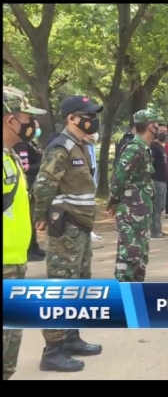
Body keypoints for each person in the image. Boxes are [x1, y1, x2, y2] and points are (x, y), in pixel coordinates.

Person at [33, 95, 104, 372]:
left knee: (80, 285)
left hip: (82, 226)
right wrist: (40, 217)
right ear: (71, 118)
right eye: (87, 114)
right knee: (60, 289)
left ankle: (71, 337)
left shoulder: (81, 145)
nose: (92, 119)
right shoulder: (61, 147)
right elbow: (43, 185)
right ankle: (52, 351)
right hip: (66, 226)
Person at [2, 86, 46, 380]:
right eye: (26, 116)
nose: (32, 124)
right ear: (9, 120)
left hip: (12, 262)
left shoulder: (10, 155)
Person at [107, 107, 159, 282]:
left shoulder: (144, 148)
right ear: (151, 126)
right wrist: (113, 201)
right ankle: (123, 294)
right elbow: (119, 177)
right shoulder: (134, 148)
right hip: (131, 211)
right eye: (156, 124)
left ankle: (135, 289)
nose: (159, 127)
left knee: (139, 253)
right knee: (129, 253)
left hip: (139, 210)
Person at [13, 118, 46, 260]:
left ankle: (34, 246)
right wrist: (44, 166)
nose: (37, 129)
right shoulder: (21, 146)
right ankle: (29, 248)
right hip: (28, 185)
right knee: (29, 218)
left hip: (34, 185)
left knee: (32, 219)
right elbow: (25, 168)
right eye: (35, 126)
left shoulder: (31, 144)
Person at [150, 123, 168, 240]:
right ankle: (154, 231)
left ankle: (159, 229)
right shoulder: (153, 147)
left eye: (165, 131)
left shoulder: (161, 147)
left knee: (161, 206)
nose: (164, 133)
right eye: (161, 131)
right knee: (156, 206)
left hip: (163, 181)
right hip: (156, 180)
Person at [84, 132, 103, 243]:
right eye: (90, 133)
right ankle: (88, 231)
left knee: (91, 209)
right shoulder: (82, 147)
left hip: (92, 182)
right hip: (86, 184)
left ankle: (90, 231)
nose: (93, 135)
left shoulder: (91, 146)